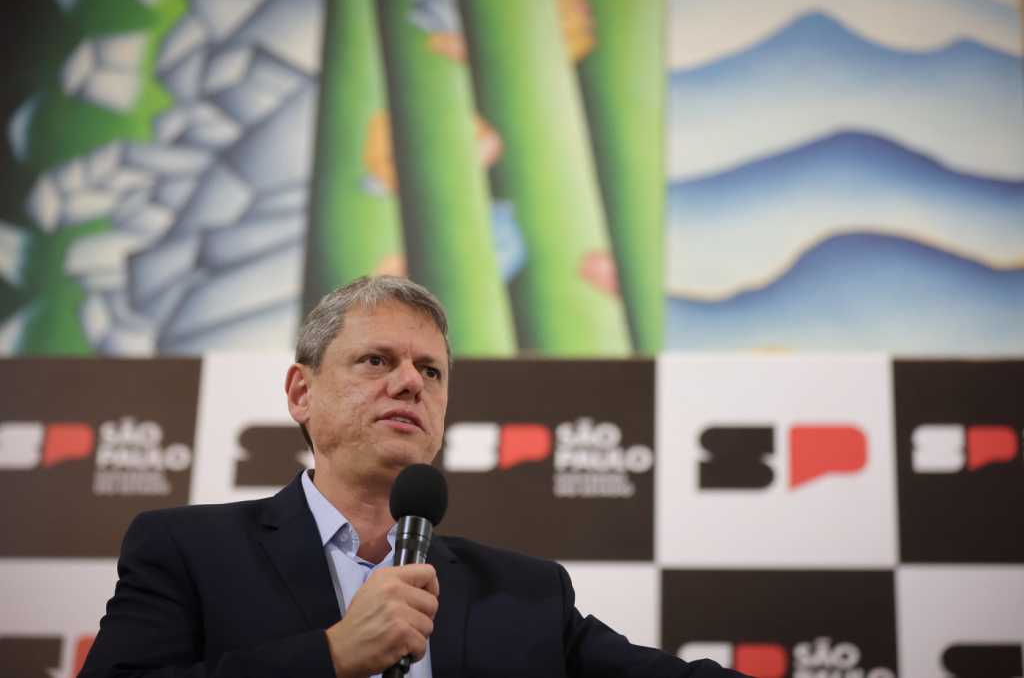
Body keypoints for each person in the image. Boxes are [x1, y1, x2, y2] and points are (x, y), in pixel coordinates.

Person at [80, 276, 746, 678]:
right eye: (376, 361)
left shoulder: (527, 591)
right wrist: (331, 656)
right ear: (302, 393)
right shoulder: (189, 550)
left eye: (430, 371)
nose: (409, 383)